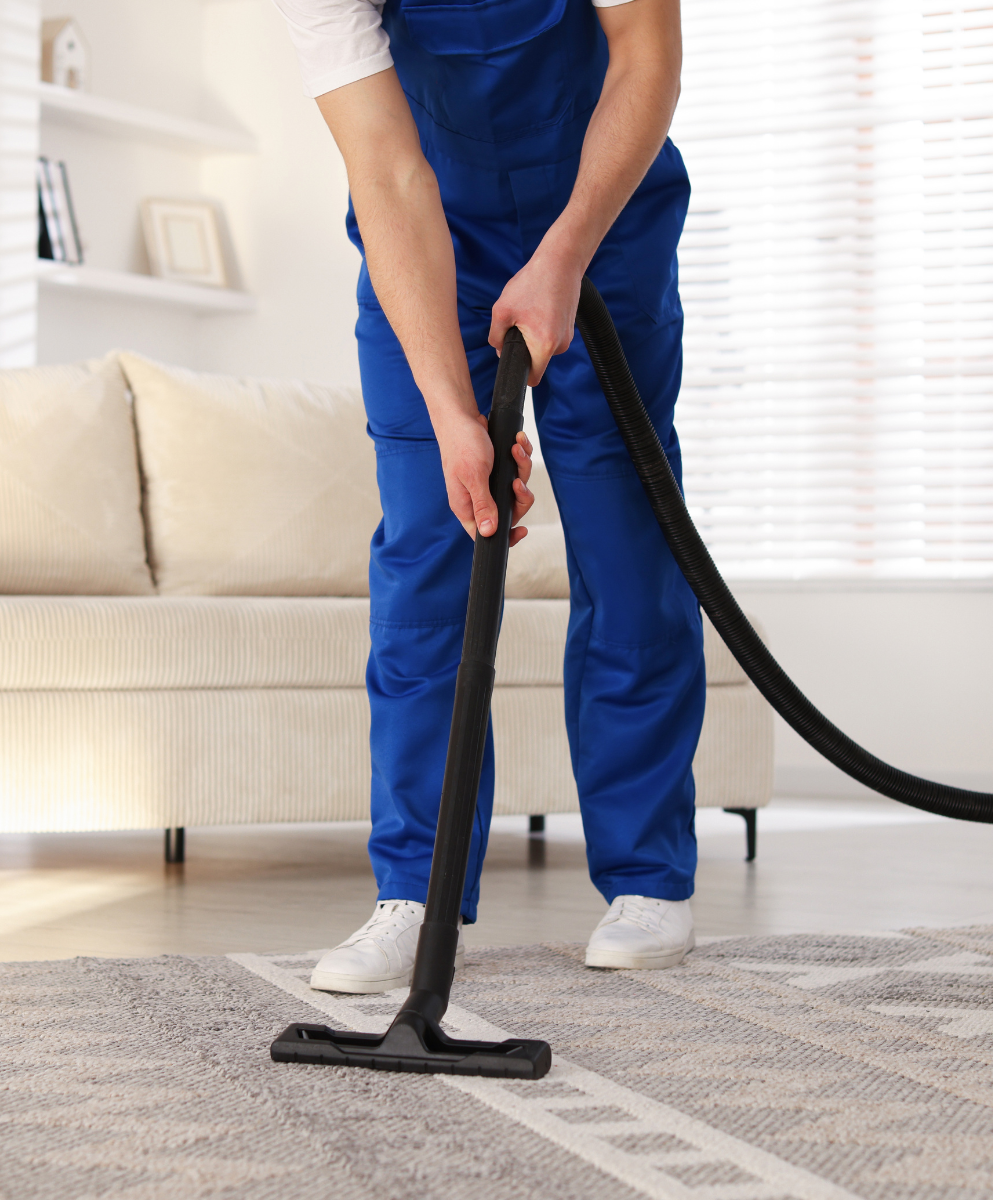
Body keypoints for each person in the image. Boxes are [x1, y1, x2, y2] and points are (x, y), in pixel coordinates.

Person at [272, 0, 703, 993]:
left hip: (606, 214)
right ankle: (413, 893)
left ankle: (647, 879)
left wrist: (564, 256)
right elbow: (386, 170)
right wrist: (452, 415)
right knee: (429, 546)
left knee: (626, 540)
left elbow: (646, 54)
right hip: (431, 236)